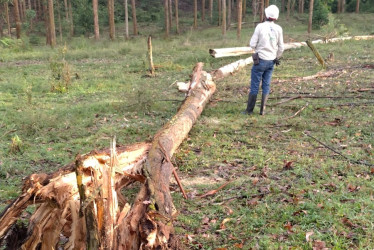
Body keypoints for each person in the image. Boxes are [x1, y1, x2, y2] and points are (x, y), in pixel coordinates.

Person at [243, 5, 284, 115]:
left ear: (266, 15)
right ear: (276, 17)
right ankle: (262, 110)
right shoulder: (279, 29)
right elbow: (281, 47)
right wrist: (276, 57)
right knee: (266, 85)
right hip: (271, 61)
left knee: (255, 85)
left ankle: (249, 110)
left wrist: (257, 49)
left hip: (260, 60)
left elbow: (252, 44)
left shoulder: (260, 27)